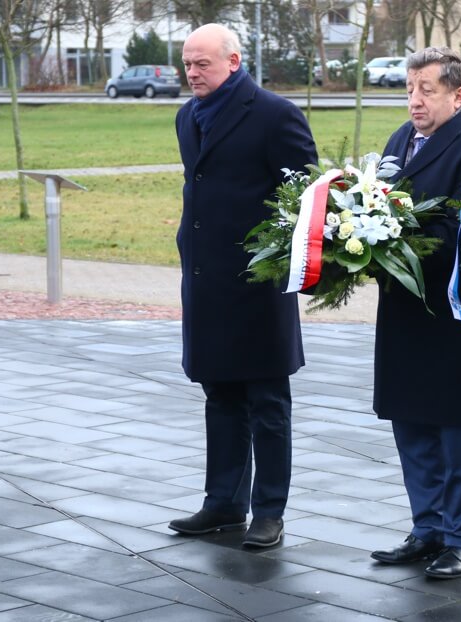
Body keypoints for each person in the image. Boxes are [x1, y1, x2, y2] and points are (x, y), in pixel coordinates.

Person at [168, 24, 317, 548]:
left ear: (234, 61)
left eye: (202, 63)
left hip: (257, 283)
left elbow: (305, 196)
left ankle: (269, 510)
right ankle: (223, 503)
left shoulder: (275, 114)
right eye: (187, 63)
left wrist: (275, 259)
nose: (192, 73)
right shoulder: (187, 116)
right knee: (220, 394)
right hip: (207, 281)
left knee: (267, 400)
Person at [369, 47, 461, 579]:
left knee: (457, 427)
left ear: (459, 95)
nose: (414, 100)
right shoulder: (399, 140)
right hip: (405, 304)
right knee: (411, 420)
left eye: (426, 89)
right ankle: (426, 527)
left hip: (456, 310)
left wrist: (394, 234)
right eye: (409, 89)